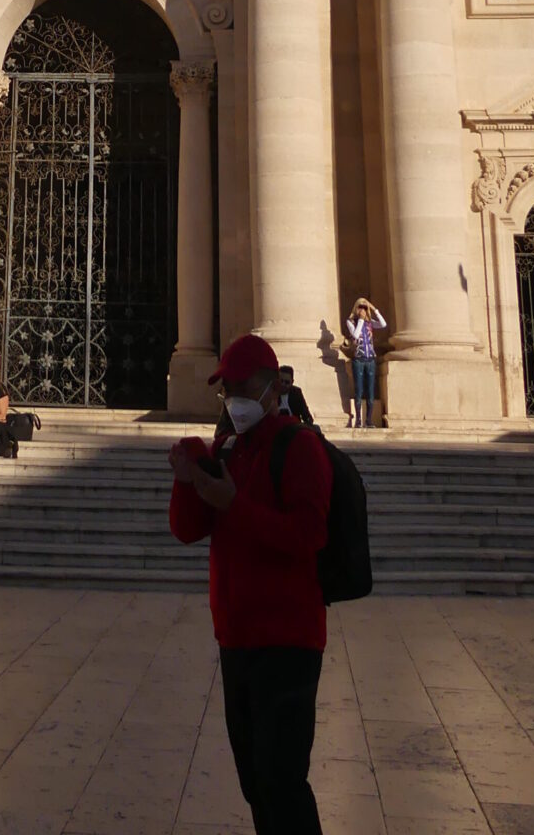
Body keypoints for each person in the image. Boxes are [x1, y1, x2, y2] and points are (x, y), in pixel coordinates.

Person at [169, 334, 332, 835]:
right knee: (255, 782)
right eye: (228, 389)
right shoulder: (231, 450)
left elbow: (306, 537)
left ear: (269, 388)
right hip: (236, 639)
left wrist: (231, 503)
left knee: (282, 780)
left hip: (287, 640)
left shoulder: (300, 449)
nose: (233, 398)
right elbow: (187, 529)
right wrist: (188, 476)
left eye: (242, 386)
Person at [345, 297, 385, 429]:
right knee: (359, 390)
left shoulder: (370, 322)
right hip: (359, 359)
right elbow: (355, 335)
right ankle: (358, 420)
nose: (362, 309)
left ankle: (369, 420)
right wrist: (361, 320)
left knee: (370, 391)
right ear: (356, 308)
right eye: (360, 307)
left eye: (364, 307)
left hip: (370, 359)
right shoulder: (351, 322)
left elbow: (383, 324)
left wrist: (374, 309)